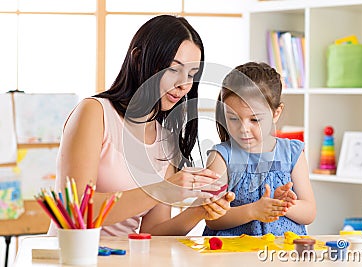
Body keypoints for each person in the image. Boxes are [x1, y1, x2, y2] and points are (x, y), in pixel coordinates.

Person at [48, 15, 235, 236]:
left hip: (124, 258)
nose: (184, 85)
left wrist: (200, 211)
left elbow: (154, 231)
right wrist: (163, 189)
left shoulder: (166, 142)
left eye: (192, 75)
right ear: (138, 58)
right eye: (174, 69)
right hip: (73, 255)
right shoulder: (95, 113)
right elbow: (74, 209)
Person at [202, 62, 316, 236]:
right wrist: (253, 211)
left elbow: (309, 212)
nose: (243, 128)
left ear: (275, 113)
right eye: (233, 118)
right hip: (232, 254)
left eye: (254, 120)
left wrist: (281, 205)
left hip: (281, 255)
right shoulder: (221, 157)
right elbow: (212, 218)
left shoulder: (292, 153)